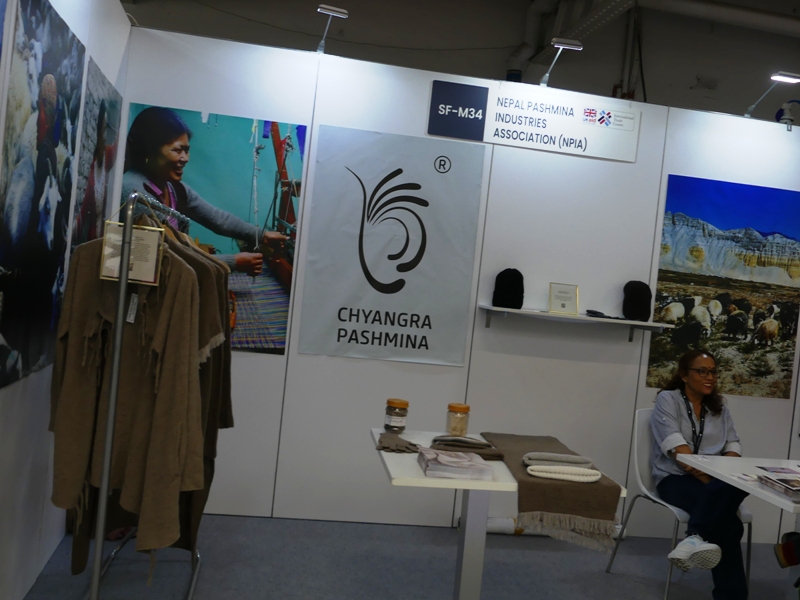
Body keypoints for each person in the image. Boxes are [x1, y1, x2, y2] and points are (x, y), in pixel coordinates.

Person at [121, 106, 285, 275]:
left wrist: (262, 235)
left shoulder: (172, 188)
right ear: (149, 150)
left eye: (187, 150)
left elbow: (217, 219)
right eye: (177, 150)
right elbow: (166, 259)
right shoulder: (134, 192)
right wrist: (233, 262)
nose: (185, 158)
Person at [651, 349, 748, 600]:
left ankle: (694, 538)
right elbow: (680, 452)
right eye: (702, 371)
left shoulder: (719, 406)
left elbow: (733, 443)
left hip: (715, 479)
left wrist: (725, 472)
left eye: (713, 372)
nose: (710, 377)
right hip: (674, 478)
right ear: (684, 375)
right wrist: (714, 479)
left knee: (743, 480)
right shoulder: (668, 399)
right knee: (731, 525)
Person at [74, 100, 116, 246]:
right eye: (103, 131)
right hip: (94, 240)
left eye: (106, 131)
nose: (104, 136)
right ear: (98, 132)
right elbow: (84, 209)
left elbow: (119, 147)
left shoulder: (107, 155)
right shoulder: (93, 170)